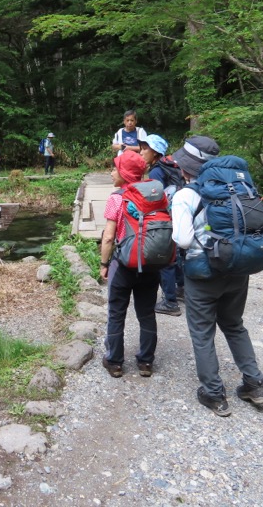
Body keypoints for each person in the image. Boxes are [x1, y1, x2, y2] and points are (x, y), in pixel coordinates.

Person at [171, 136, 263, 417]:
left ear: (185, 168)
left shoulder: (186, 195)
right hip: (238, 268)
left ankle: (214, 394)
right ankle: (254, 384)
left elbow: (181, 239)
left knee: (202, 333)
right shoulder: (236, 189)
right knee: (234, 325)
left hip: (203, 274)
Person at [99, 150, 159, 379]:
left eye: (115, 168)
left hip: (123, 265)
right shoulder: (154, 194)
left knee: (116, 313)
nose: (111, 171)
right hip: (150, 263)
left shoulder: (117, 198)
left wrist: (104, 263)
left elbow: (108, 237)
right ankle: (145, 362)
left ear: (124, 174)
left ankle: (115, 362)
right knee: (146, 313)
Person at [139, 134, 184, 317]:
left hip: (165, 219)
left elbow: (155, 199)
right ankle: (181, 288)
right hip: (177, 217)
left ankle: (170, 302)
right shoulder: (168, 167)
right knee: (176, 254)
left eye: (145, 149)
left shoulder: (157, 171)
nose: (141, 152)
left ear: (155, 152)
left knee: (165, 259)